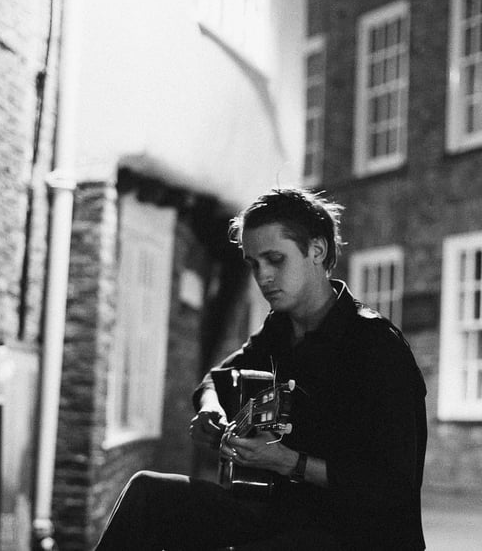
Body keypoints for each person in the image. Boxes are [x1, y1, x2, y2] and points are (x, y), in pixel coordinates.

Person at [94, 188, 427, 550]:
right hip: (280, 514)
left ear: (317, 250)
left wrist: (289, 462)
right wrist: (211, 410)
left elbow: (393, 487)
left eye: (275, 259)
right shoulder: (279, 329)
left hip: (358, 534)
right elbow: (216, 380)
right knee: (148, 494)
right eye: (254, 263)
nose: (263, 276)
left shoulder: (377, 345)